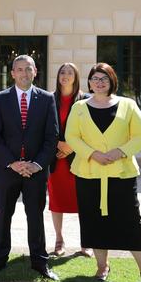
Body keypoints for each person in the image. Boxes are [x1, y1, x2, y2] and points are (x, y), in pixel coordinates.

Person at [65, 63, 141, 282]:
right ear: (89, 82)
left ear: (112, 81)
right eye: (95, 78)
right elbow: (72, 136)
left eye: (104, 78)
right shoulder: (79, 107)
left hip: (121, 173)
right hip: (88, 173)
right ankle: (102, 266)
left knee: (131, 222)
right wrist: (93, 154)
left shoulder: (128, 105)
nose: (99, 82)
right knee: (94, 220)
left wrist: (119, 152)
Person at [0, 54, 59, 280]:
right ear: (13, 73)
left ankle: (40, 262)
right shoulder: (1, 98)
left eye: (28, 69)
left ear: (35, 71)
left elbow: (52, 136)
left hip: (36, 171)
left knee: (35, 216)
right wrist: (13, 163)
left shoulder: (47, 99)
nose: (24, 73)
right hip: (8, 169)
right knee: (4, 215)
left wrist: (36, 165)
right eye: (19, 69)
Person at [48, 63, 92, 257]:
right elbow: (44, 127)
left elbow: (90, 131)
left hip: (79, 158)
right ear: (58, 77)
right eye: (62, 72)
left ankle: (86, 243)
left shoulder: (85, 100)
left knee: (83, 200)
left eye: (70, 73)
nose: (65, 76)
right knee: (56, 200)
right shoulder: (49, 99)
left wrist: (71, 146)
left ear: (76, 77)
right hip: (56, 158)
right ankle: (59, 241)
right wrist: (59, 144)